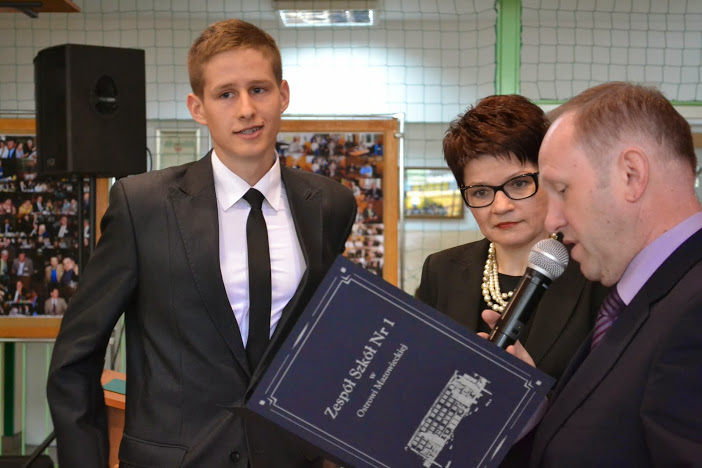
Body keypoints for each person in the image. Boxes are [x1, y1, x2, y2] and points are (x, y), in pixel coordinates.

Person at [47, 18, 356, 468]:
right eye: (226, 94)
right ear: (198, 107)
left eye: (259, 89)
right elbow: (76, 356)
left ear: (283, 95)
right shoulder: (142, 205)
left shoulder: (330, 204)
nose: (246, 109)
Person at [490, 82, 702, 466]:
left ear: (631, 175)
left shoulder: (693, 312)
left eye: (562, 190)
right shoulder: (643, 297)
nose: (552, 221)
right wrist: (530, 408)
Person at [416, 95, 608, 382]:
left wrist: (532, 391)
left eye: (519, 184)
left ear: (551, 179)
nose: (501, 206)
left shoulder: (596, 271)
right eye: (481, 192)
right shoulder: (441, 270)